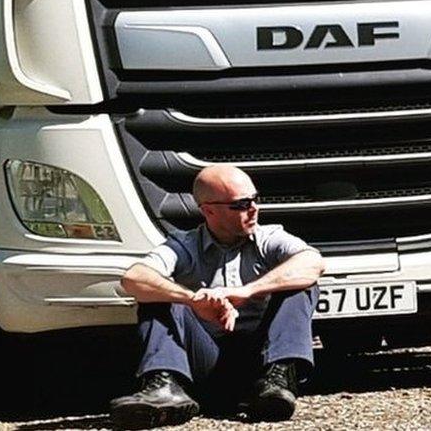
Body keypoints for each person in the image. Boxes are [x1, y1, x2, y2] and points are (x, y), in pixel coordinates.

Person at [111, 164, 325, 429]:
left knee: (301, 285)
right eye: (241, 204)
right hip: (206, 363)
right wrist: (191, 299)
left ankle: (278, 381)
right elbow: (133, 278)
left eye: (255, 200)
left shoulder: (269, 238)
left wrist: (246, 291)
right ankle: (165, 388)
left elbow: (312, 262)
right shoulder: (183, 245)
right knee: (158, 294)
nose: (254, 209)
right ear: (209, 210)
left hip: (260, 363)